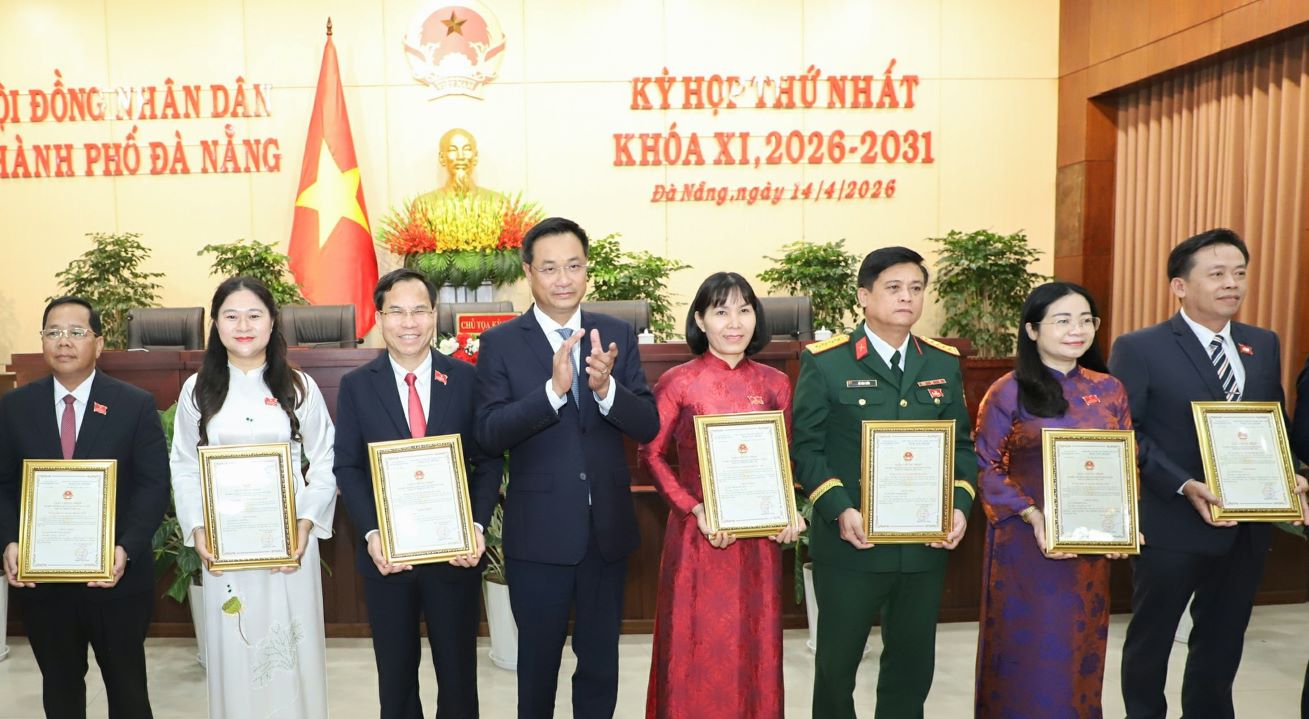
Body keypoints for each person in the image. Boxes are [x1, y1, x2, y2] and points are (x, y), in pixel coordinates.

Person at [1109, 228, 1308, 719]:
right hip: (1173, 519)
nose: (1232, 284)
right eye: (1217, 274)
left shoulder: (1262, 343)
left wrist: (1292, 474)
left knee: (1222, 640)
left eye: (1239, 273)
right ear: (1179, 286)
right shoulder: (1140, 347)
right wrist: (1182, 483)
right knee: (1152, 640)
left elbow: (1273, 422)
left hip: (1246, 525)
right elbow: (1125, 432)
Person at [474, 216, 659, 719]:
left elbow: (647, 425)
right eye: (550, 267)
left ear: (587, 270)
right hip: (539, 537)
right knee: (536, 667)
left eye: (574, 266)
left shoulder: (616, 332)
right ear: (528, 273)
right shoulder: (501, 344)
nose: (563, 279)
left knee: (600, 664)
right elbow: (489, 433)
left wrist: (607, 391)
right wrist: (553, 393)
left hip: (606, 532)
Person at [791, 246, 977, 719]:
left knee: (912, 664)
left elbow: (962, 446)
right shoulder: (826, 362)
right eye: (893, 288)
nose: (907, 298)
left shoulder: (941, 363)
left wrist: (958, 505)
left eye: (916, 289)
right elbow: (806, 448)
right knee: (837, 665)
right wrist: (839, 508)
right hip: (852, 541)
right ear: (864, 296)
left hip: (922, 544)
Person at [334, 268, 502, 719]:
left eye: (419, 311)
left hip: (454, 555)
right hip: (388, 558)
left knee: (459, 677)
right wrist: (371, 533)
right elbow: (347, 466)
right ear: (379, 318)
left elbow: (488, 462)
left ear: (435, 315)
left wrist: (476, 525)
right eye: (397, 312)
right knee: (396, 677)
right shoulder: (356, 386)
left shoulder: (467, 381)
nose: (409, 323)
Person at [169, 277, 338, 719]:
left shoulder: (299, 387)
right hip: (228, 548)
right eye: (231, 315)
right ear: (216, 325)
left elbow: (325, 462)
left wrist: (304, 525)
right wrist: (197, 528)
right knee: (236, 652)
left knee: (290, 653)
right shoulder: (197, 391)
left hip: (289, 548)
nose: (243, 325)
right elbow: (185, 464)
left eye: (254, 315)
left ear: (272, 322)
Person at [638, 272, 805, 719]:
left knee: (754, 646)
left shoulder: (775, 383)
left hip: (759, 544)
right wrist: (693, 507)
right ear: (700, 320)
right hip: (699, 537)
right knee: (695, 646)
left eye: (744, 309)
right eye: (721, 310)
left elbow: (783, 459)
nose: (735, 322)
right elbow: (651, 454)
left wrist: (789, 509)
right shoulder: (679, 382)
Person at [0, 296, 169, 719]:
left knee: (128, 689)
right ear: (42, 341)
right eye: (53, 332)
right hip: (44, 583)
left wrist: (125, 548)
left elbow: (153, 486)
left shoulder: (134, 404)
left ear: (99, 343)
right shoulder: (15, 407)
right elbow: (2, 484)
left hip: (117, 578)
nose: (64, 341)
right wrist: (9, 541)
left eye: (77, 332)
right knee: (60, 689)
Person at [973, 282, 1135, 718]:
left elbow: (1124, 462)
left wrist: (1123, 519)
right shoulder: (1008, 390)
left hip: (1088, 546)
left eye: (1086, 320)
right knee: (1030, 655)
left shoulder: (1110, 389)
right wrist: (1031, 512)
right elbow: (985, 464)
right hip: (1026, 545)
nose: (1076, 330)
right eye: (1062, 320)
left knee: (1079, 649)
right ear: (1032, 330)